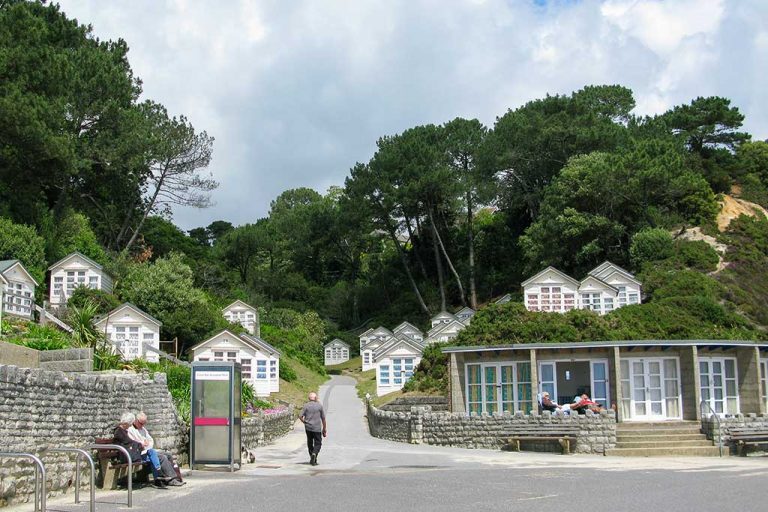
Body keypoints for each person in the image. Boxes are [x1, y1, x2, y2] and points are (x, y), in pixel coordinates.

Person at [127, 411, 184, 486]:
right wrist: (142, 444)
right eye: (141, 423)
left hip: (148, 450)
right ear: (136, 421)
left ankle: (174, 477)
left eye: (144, 423)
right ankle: (171, 479)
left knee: (168, 455)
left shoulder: (143, 429)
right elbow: (134, 443)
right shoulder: (130, 430)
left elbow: (150, 440)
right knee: (162, 457)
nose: (143, 425)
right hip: (140, 453)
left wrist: (147, 445)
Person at [114, 412, 169, 488]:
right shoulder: (119, 431)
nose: (130, 425)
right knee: (155, 455)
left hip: (132, 453)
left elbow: (133, 443)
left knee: (152, 453)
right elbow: (129, 442)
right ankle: (158, 476)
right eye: (130, 424)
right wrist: (141, 444)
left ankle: (159, 477)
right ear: (126, 423)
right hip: (127, 456)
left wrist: (141, 445)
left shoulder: (124, 430)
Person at [299, 392, 326, 466]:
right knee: (318, 443)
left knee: (310, 442)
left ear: (309, 398)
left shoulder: (306, 406)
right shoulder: (319, 406)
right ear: (316, 398)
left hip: (308, 428)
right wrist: (324, 429)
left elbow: (300, 416)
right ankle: (314, 454)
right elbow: (323, 418)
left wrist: (304, 422)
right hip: (317, 428)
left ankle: (312, 457)